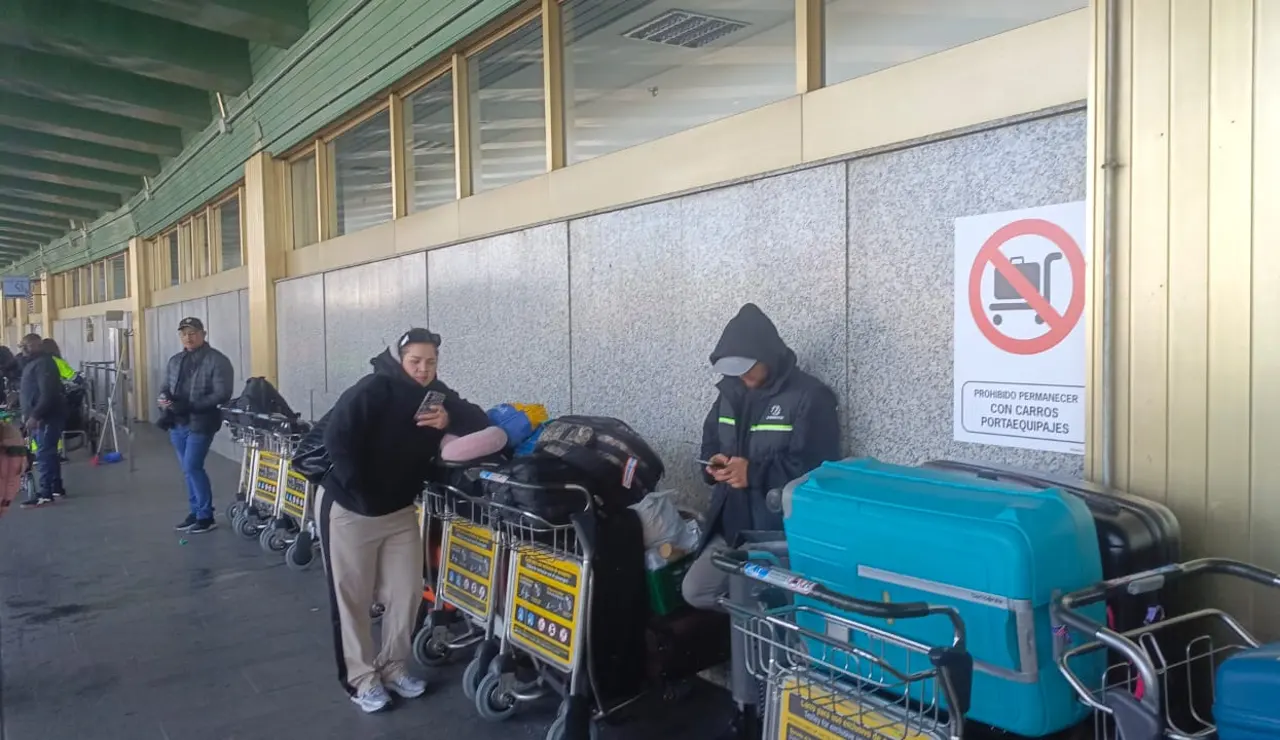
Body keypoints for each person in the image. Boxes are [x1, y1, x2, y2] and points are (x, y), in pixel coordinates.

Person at [318, 328, 490, 713]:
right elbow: (337, 438)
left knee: (407, 593)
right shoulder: (373, 388)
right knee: (353, 599)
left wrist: (447, 421)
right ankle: (361, 680)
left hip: (398, 513)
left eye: (431, 361)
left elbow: (478, 421)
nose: (423, 369)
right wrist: (361, 492)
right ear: (400, 358)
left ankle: (393, 667)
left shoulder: (437, 395)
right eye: (415, 361)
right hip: (351, 511)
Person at [158, 317, 234, 534]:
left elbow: (222, 393)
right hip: (177, 422)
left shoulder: (217, 360)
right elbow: (165, 386)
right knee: (187, 470)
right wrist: (163, 399)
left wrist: (190, 406)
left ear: (203, 334)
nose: (188, 338)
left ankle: (205, 515)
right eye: (183, 334)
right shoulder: (175, 360)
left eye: (192, 333)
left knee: (192, 466)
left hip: (201, 422)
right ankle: (195, 511)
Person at [18, 334, 67, 506]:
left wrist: (35, 415)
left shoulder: (44, 364)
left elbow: (47, 394)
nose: (22, 350)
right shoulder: (33, 363)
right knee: (50, 452)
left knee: (44, 453)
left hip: (47, 417)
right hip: (42, 417)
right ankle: (56, 487)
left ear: (36, 346)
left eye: (25, 346)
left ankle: (45, 492)